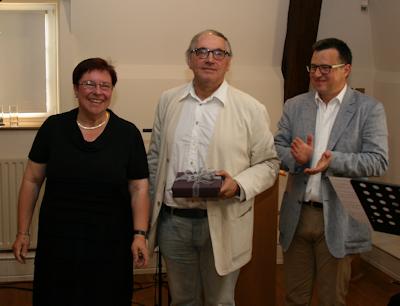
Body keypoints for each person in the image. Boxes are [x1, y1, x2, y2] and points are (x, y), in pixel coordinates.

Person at [147, 29, 280, 305]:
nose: (210, 58)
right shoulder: (168, 101)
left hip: (222, 221)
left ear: (228, 61)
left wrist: (239, 185)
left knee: (220, 302)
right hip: (174, 223)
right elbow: (156, 159)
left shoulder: (251, 108)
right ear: (189, 59)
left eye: (219, 53)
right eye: (202, 52)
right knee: (182, 301)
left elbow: (269, 163)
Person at [12, 58, 150, 306]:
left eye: (105, 86)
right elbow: (32, 180)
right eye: (89, 84)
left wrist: (140, 234)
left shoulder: (128, 134)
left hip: (111, 243)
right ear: (76, 89)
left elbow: (139, 188)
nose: (98, 92)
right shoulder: (53, 128)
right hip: (59, 242)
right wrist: (23, 231)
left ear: (112, 91)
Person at [275, 38, 389, 306]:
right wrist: (297, 159)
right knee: (294, 297)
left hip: (338, 219)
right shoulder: (295, 105)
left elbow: (378, 161)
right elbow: (276, 146)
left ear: (346, 69)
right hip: (297, 215)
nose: (317, 74)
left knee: (332, 300)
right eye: (313, 67)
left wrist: (329, 159)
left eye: (325, 68)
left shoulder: (368, 109)